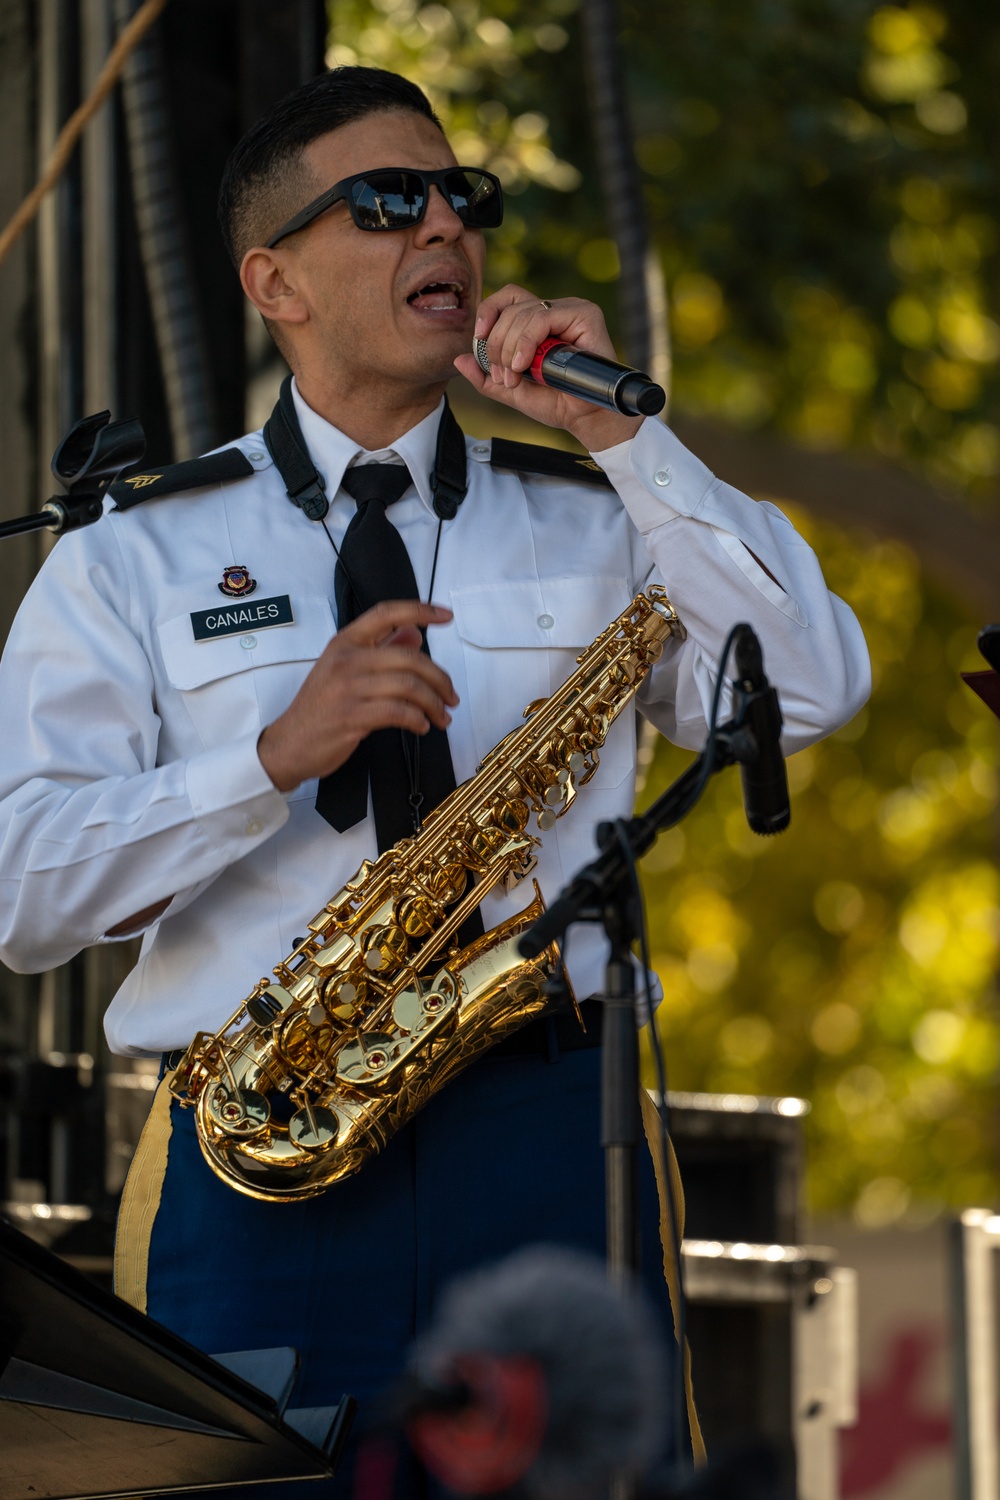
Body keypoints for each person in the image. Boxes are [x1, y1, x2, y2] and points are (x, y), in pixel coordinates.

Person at [0, 66, 869, 1490]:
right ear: (273, 281)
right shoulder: (131, 553)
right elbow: (22, 891)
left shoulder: (594, 507)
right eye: (390, 203)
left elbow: (816, 688)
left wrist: (627, 437)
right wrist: (269, 757)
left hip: (544, 1123)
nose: (447, 231)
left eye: (464, 198)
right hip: (256, 1138)